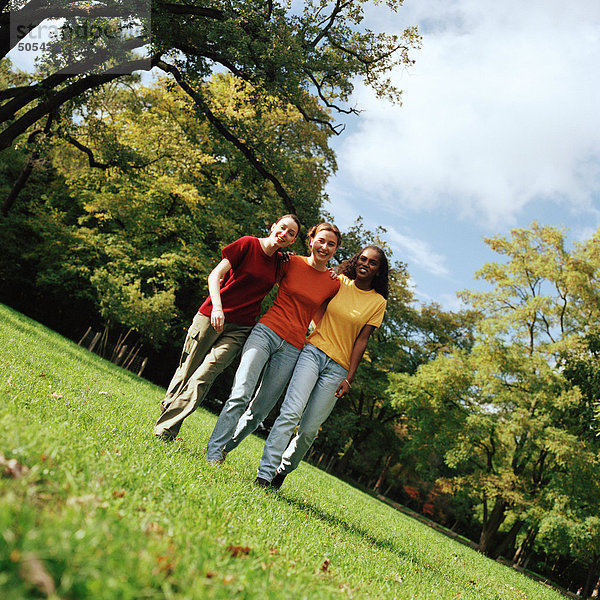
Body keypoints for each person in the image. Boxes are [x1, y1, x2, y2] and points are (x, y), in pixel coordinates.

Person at [154, 214, 300, 440]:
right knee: (187, 371)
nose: (284, 234)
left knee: (205, 375)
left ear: (293, 240)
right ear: (273, 226)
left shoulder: (281, 263)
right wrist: (217, 309)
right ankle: (168, 410)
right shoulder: (247, 244)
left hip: (240, 329)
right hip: (211, 315)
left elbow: (302, 278)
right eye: (282, 228)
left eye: (291, 233)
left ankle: (166, 429)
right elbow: (215, 276)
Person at [205, 223, 342, 463]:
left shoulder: (334, 283)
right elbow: (260, 275)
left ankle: (226, 447)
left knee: (260, 411)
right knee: (241, 393)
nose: (324, 247)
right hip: (265, 332)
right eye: (321, 240)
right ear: (310, 241)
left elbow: (322, 316)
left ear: (336, 250)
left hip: (293, 347)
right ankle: (214, 452)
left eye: (331, 244)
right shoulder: (289, 262)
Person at [254, 245, 389, 487]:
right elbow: (316, 300)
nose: (365, 264)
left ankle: (283, 470)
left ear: (379, 271)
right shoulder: (338, 281)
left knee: (309, 430)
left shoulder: (378, 302)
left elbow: (362, 339)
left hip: (338, 368)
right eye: (363, 259)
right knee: (290, 412)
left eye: (372, 263)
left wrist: (350, 377)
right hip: (312, 353)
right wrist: (319, 331)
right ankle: (264, 474)